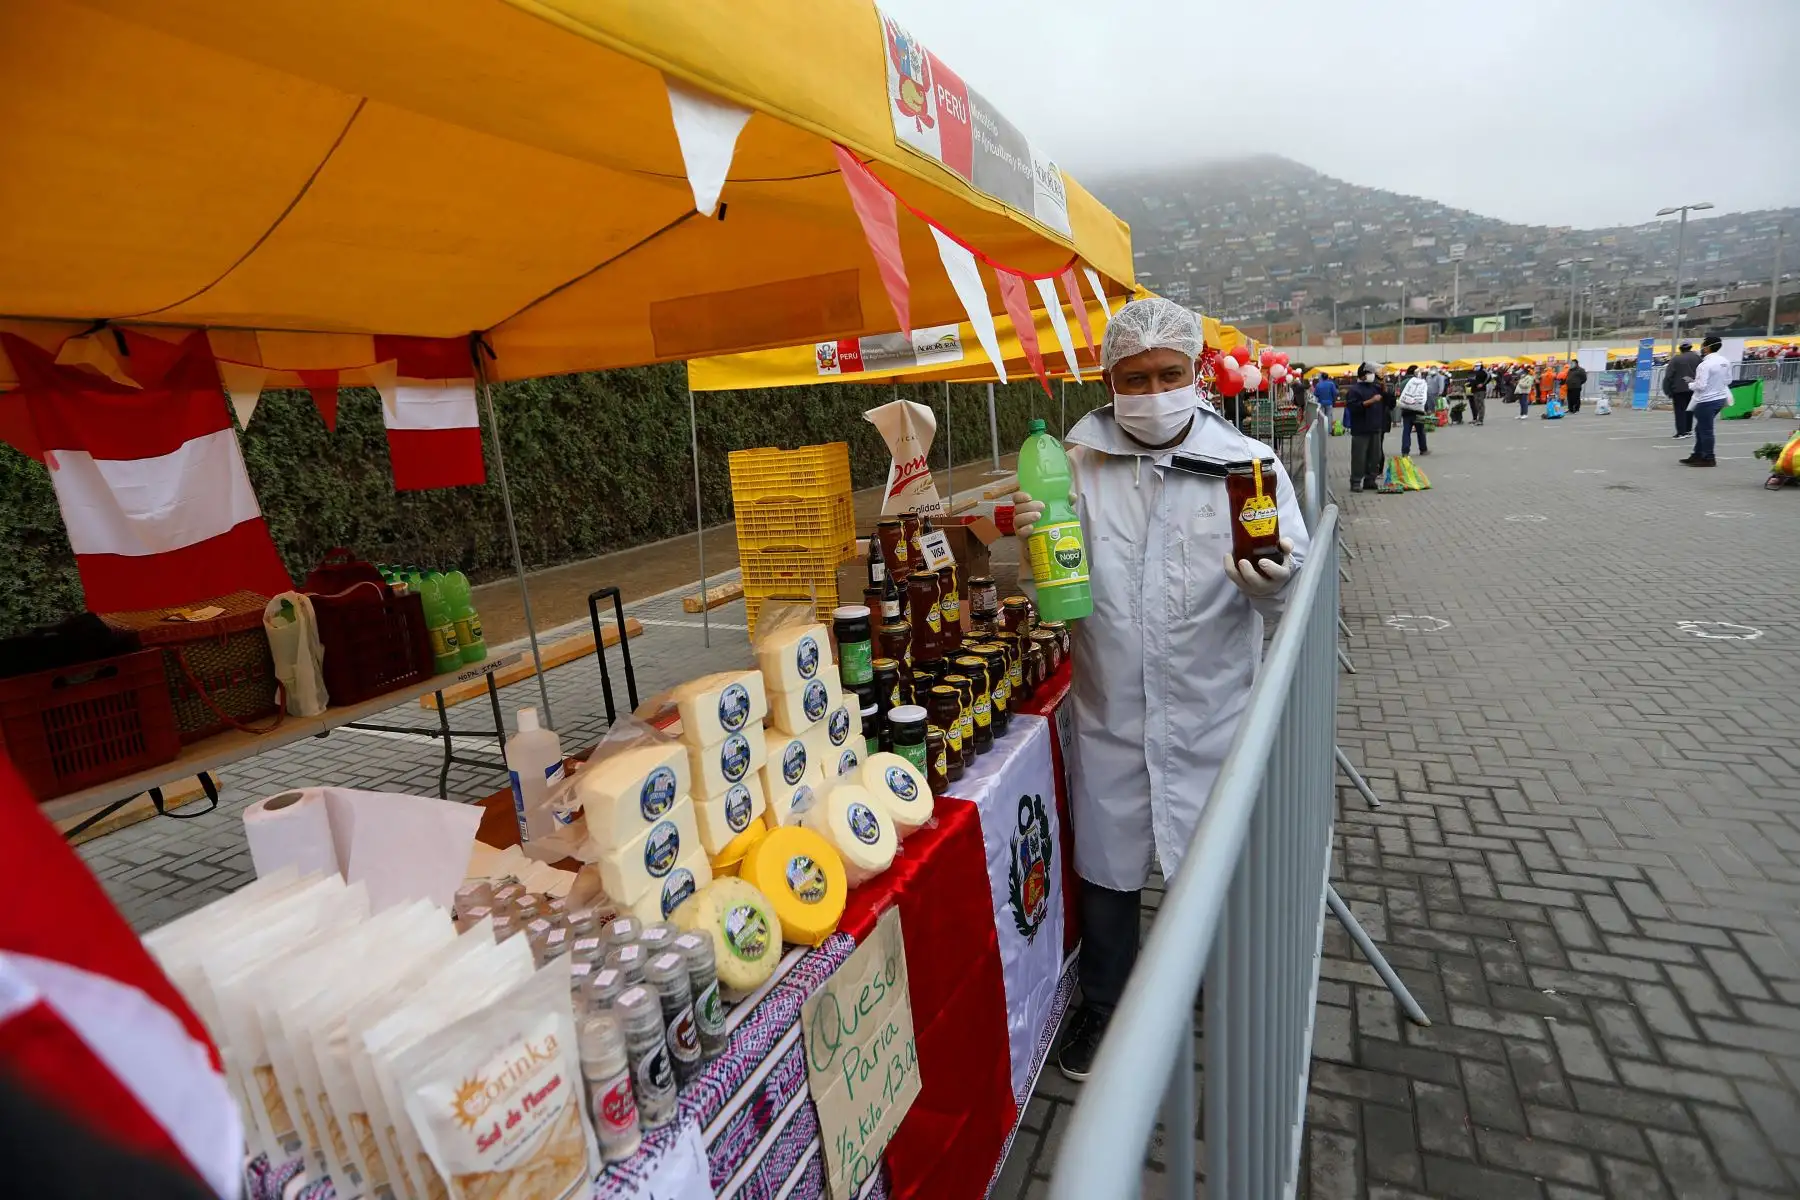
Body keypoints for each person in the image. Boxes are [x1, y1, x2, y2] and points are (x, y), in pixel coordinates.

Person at [1007, 297, 1311, 1080]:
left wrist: (1274, 581)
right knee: (1108, 868)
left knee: (1211, 866)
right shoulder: (1076, 463)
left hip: (1212, 713)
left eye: (1167, 374)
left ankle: (1224, 987)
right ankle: (1106, 1005)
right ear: (1108, 380)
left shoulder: (1247, 464)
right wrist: (1025, 544)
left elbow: (1292, 585)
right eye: (1132, 378)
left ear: (1198, 373)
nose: (1151, 391)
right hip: (1112, 708)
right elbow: (1052, 576)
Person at [1683, 334, 1731, 467]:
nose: (1702, 347)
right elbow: (1728, 380)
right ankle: (1698, 454)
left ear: (1707, 347)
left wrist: (1691, 384)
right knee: (1701, 428)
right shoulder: (1725, 361)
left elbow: (1701, 385)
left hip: (1706, 400)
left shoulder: (1705, 365)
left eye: (1703, 344)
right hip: (1719, 398)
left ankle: (1709, 457)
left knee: (1705, 430)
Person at [1344, 363, 1387, 491]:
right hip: (1361, 429)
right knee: (1359, 456)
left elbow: (1387, 400)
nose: (1372, 376)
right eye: (1370, 373)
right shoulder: (1354, 390)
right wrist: (1370, 401)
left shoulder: (1375, 388)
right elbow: (1353, 407)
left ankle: (1370, 479)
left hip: (1375, 427)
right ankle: (1356, 481)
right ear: (1363, 375)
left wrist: (1383, 384)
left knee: (1375, 456)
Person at [1664, 341, 1701, 437]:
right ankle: (1688, 430)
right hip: (1694, 387)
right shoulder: (1697, 358)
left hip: (1679, 388)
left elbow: (1669, 375)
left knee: (1680, 410)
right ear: (1690, 347)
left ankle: (1681, 432)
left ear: (1680, 348)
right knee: (1690, 409)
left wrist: (1667, 389)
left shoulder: (1676, 359)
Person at [1398, 365, 1431, 456]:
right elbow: (1424, 396)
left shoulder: (1402, 382)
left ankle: (1405, 451)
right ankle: (1423, 449)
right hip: (1418, 409)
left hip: (1406, 410)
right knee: (1420, 430)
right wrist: (1427, 408)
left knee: (1406, 431)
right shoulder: (1420, 382)